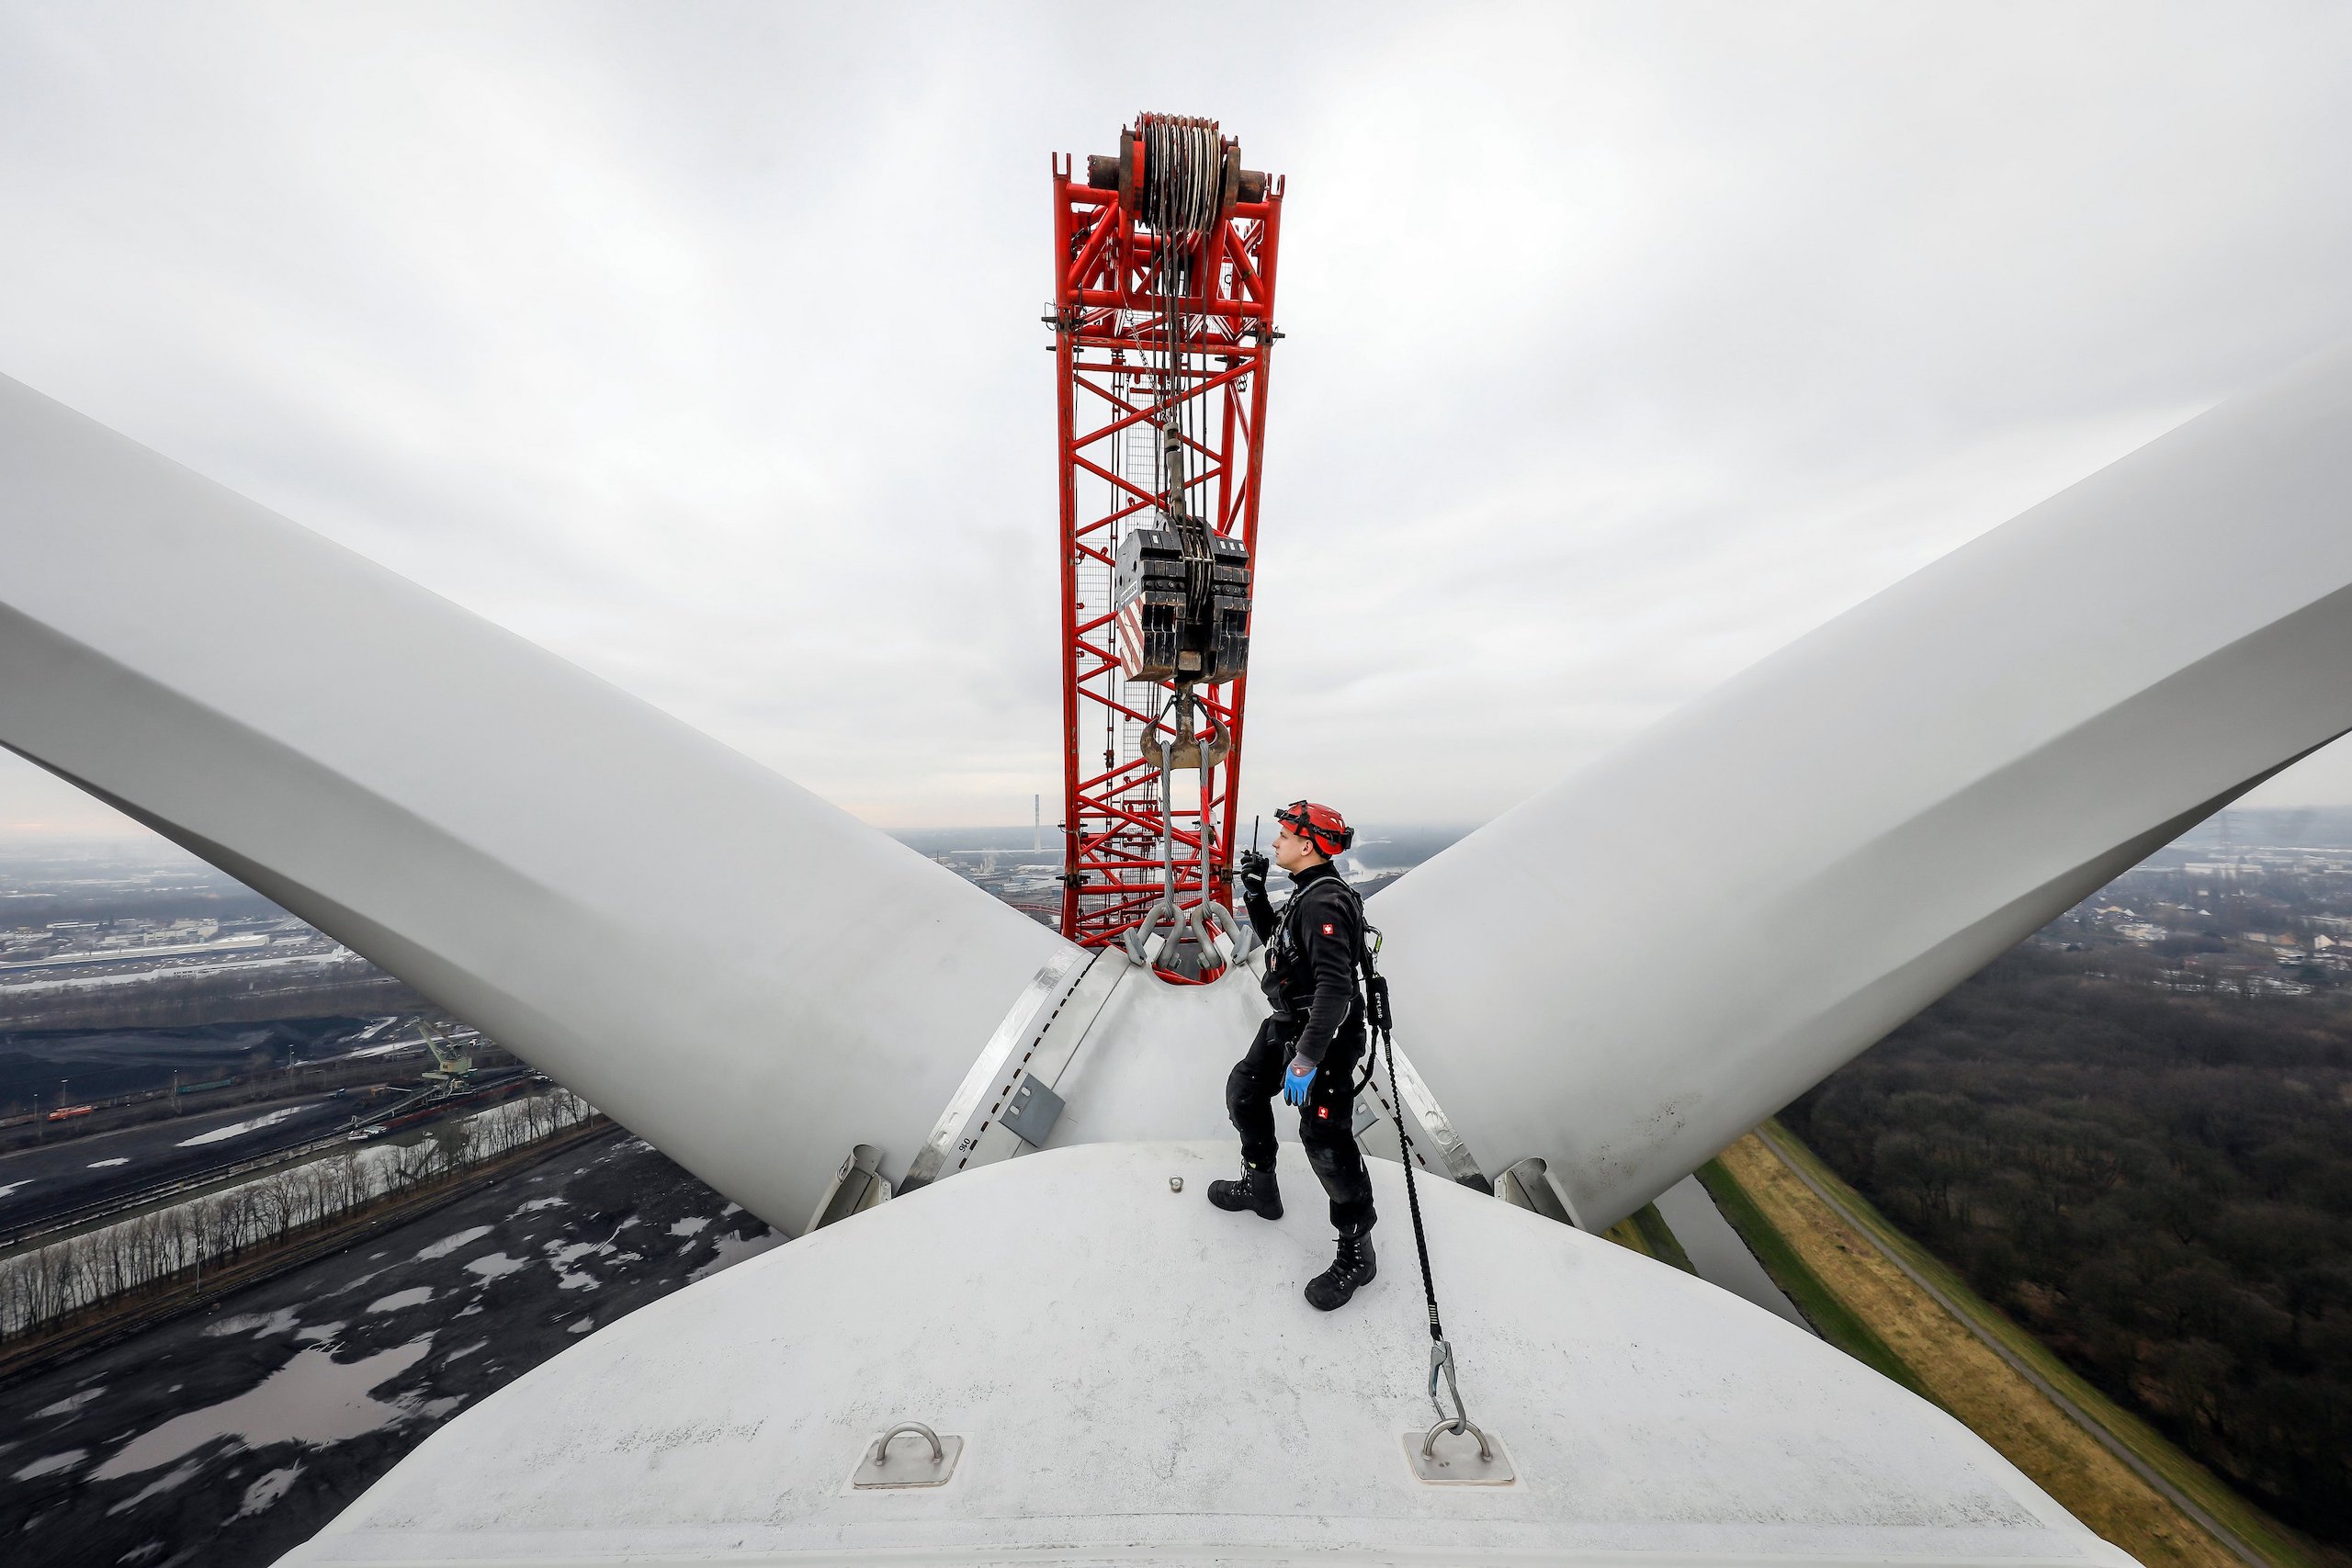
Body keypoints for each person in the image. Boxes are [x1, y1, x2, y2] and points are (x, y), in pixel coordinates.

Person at [1206, 798, 1378, 1310]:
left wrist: (1305, 1059)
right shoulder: (1309, 893)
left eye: (1283, 837)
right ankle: (1261, 1188)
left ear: (1307, 845)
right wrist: (1255, 891)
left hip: (1321, 1034)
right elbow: (1278, 945)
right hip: (1290, 1024)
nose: (1275, 843)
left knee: (1325, 1140)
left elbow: (1335, 991)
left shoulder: (1324, 902)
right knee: (1245, 1092)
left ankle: (1357, 1254)